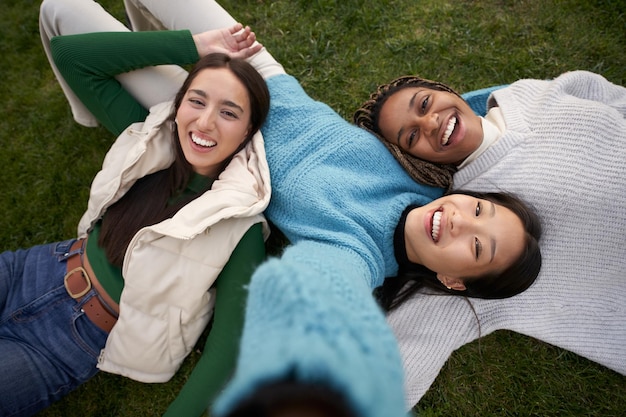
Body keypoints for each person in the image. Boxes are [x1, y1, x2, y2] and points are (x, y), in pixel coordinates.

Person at [37, 1, 543, 417]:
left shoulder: (356, 257)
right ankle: (139, 49)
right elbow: (471, 119)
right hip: (263, 76)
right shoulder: (428, 179)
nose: (460, 221)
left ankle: (99, 103)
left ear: (454, 281)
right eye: (478, 209)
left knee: (63, 12)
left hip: (216, 136)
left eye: (475, 246)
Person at [1, 18, 271, 417]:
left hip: (67, 341)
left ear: (249, 131)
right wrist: (194, 46)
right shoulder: (148, 142)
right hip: (32, 270)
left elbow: (228, 344)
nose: (205, 122)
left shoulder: (240, 225)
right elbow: (70, 56)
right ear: (179, 107)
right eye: (196, 101)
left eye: (228, 113)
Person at [353, 49, 626, 405]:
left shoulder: (526, 94)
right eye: (411, 137)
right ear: (413, 163)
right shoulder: (469, 242)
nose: (432, 122)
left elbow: (608, 96)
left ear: (444, 89)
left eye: (425, 103)